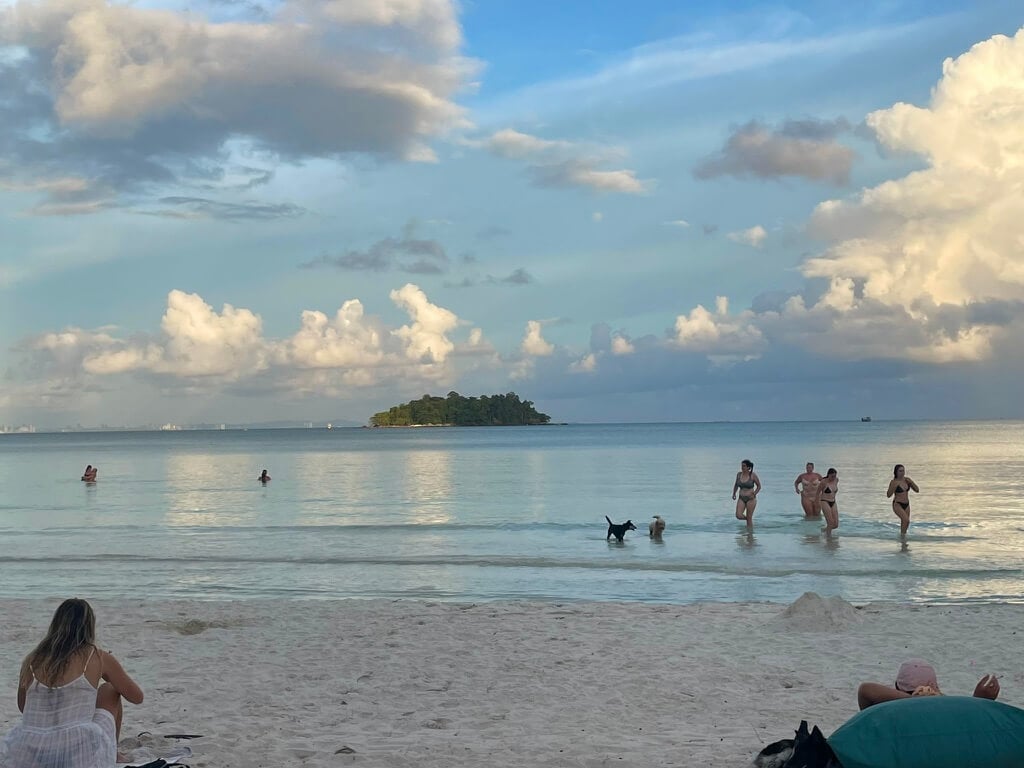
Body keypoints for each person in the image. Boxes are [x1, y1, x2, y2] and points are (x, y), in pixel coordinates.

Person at [0, 598, 144, 768]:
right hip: (78, 751)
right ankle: (113, 753)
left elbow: (23, 706)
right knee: (109, 689)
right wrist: (106, 673)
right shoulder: (97, 656)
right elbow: (137, 697)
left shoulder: (32, 658)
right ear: (89, 626)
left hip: (31, 748)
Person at [857, 658, 1000, 710]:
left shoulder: (884, 712)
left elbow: (865, 690)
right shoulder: (948, 710)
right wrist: (979, 702)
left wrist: (914, 700)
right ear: (936, 687)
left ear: (896, 687)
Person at [886, 464, 919, 537]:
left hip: (907, 504)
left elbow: (917, 490)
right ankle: (902, 537)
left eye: (903, 471)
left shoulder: (907, 480)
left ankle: (903, 539)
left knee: (906, 523)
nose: (902, 472)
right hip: (898, 504)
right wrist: (893, 487)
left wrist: (911, 482)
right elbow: (888, 495)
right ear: (896, 472)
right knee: (906, 520)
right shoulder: (893, 482)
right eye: (900, 471)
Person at [732, 459, 761, 526]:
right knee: (738, 515)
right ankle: (749, 521)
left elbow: (759, 486)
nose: (742, 467)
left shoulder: (752, 475)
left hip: (751, 499)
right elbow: (736, 484)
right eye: (742, 466)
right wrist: (734, 493)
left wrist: (754, 493)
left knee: (749, 517)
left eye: (744, 466)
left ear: (748, 467)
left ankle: (750, 534)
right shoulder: (739, 474)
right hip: (741, 498)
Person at [817, 468, 839, 535]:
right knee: (830, 523)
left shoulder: (836, 480)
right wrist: (817, 503)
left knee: (835, 525)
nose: (833, 478)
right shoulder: (823, 482)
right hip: (824, 501)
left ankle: (824, 530)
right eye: (832, 476)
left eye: (834, 476)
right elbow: (817, 493)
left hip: (833, 501)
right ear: (828, 475)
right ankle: (829, 539)